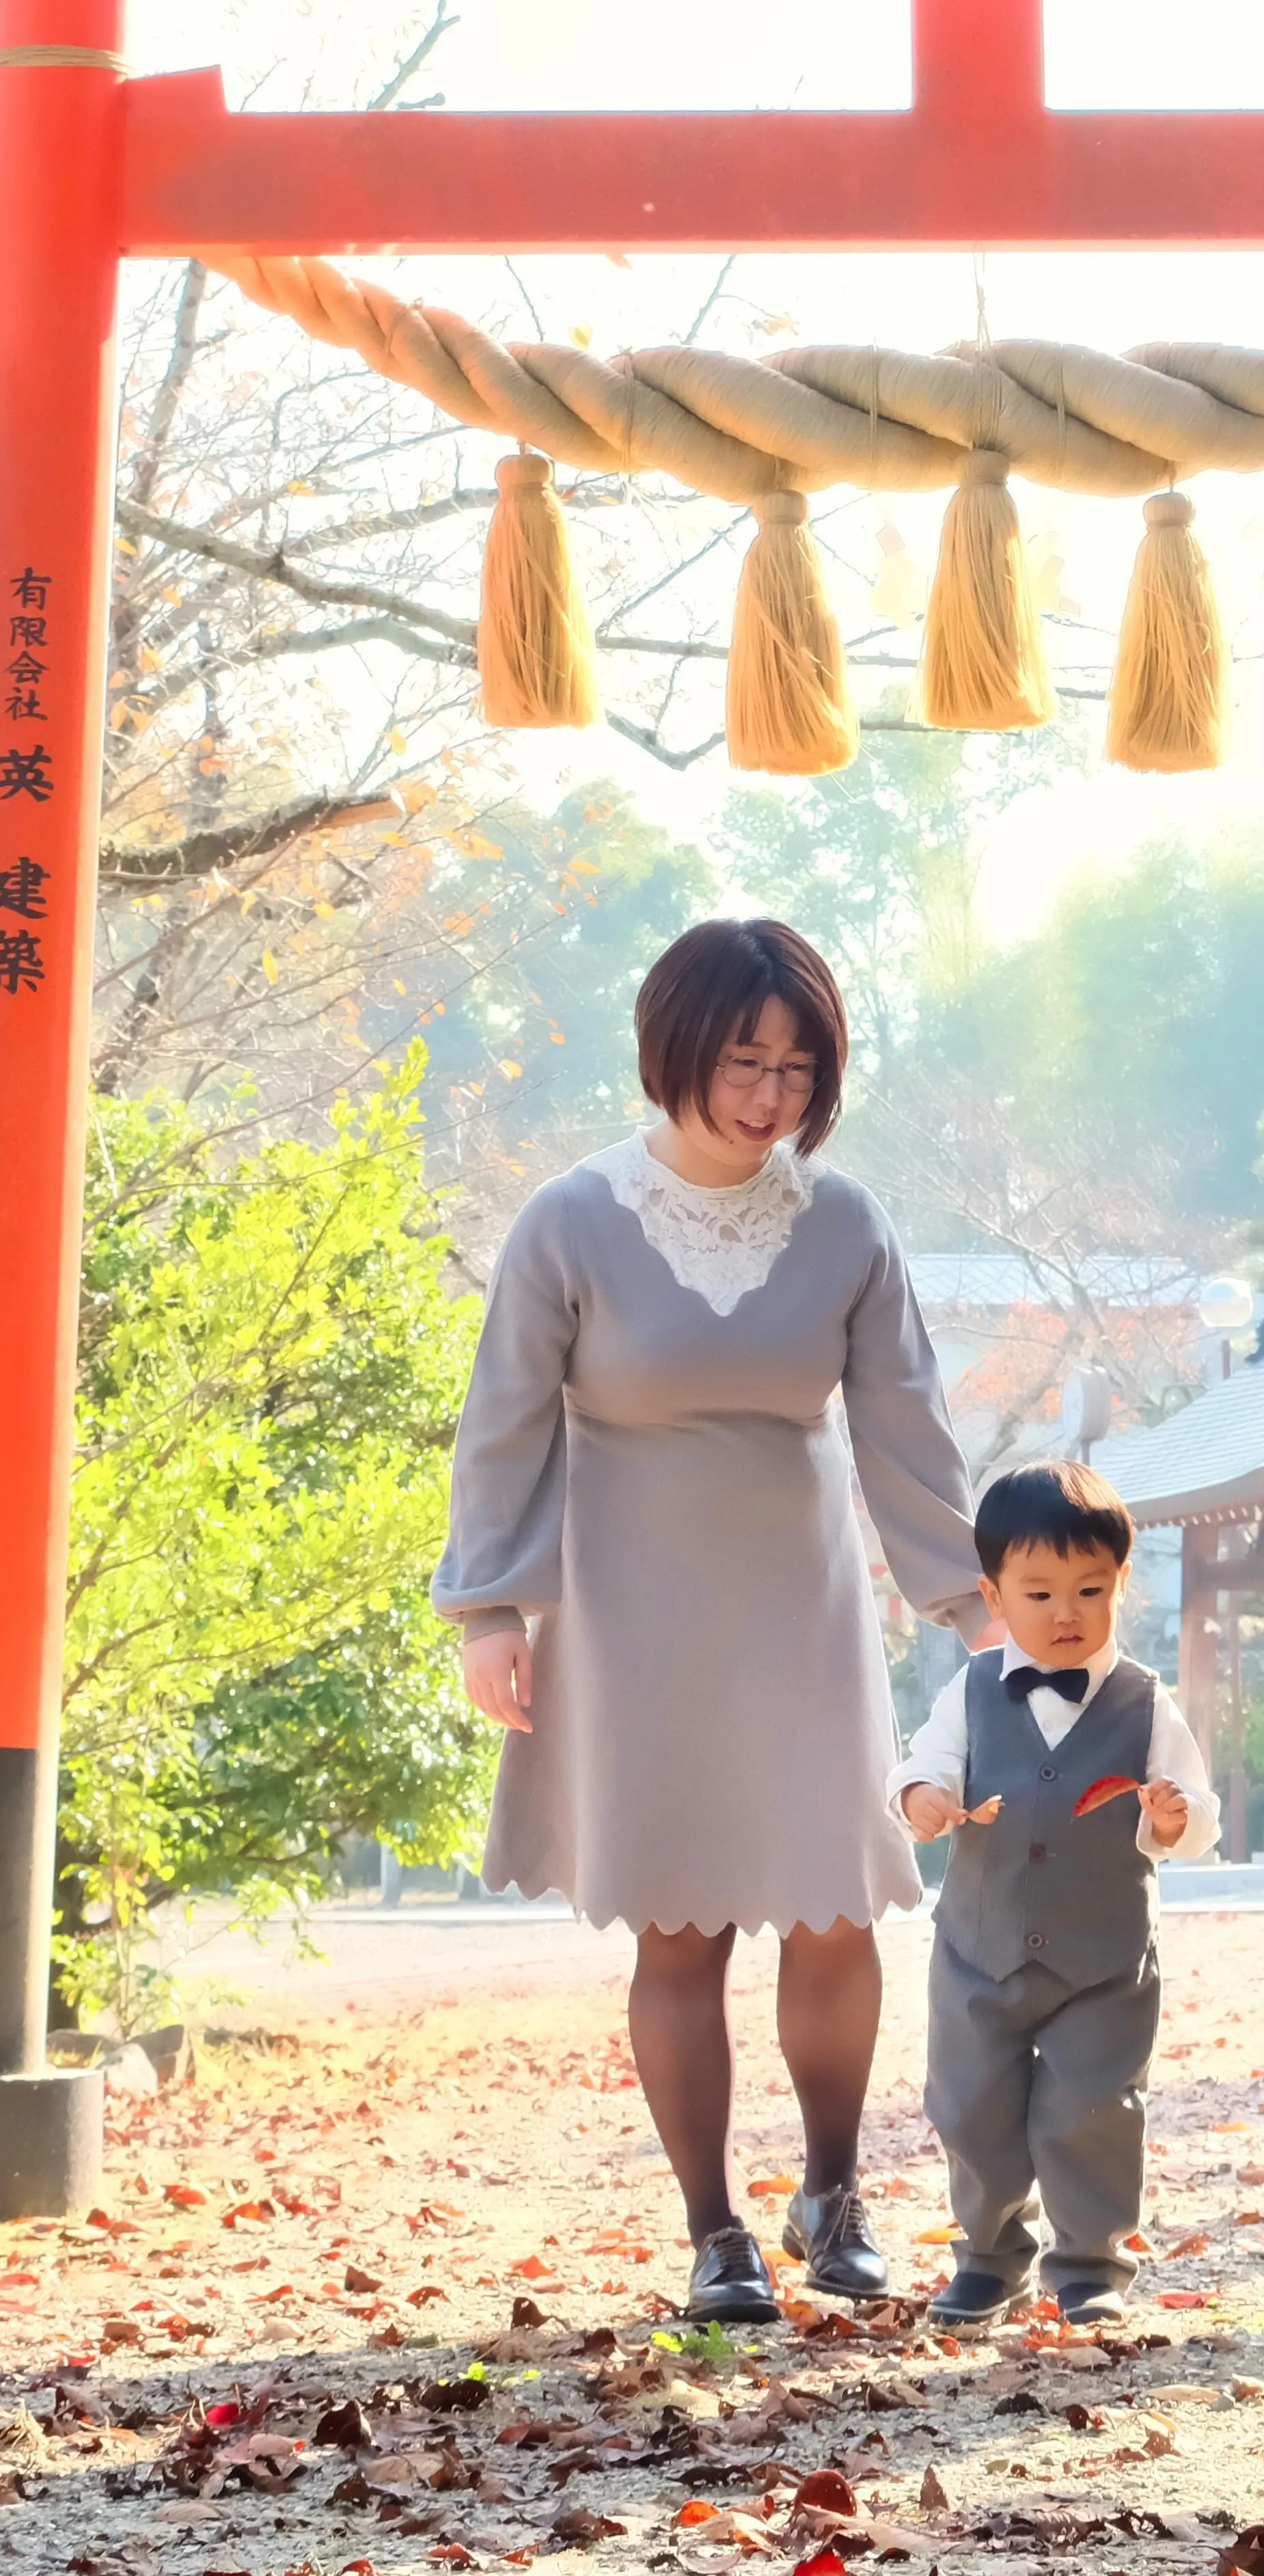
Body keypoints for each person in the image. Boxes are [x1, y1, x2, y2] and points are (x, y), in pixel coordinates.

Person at [434, 916, 985, 2330]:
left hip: (800, 1598)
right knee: (679, 1930)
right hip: (627, 1606)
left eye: (797, 1068)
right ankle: (712, 2229)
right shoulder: (571, 1217)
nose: (769, 1094)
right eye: (744, 1059)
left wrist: (979, 1610)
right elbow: (500, 1426)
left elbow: (906, 1430)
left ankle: (832, 2192)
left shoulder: (845, 1223)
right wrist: (491, 1607)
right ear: (673, 1047)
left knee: (835, 1908)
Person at [894, 1459, 1220, 2329]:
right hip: (978, 1953)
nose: (1065, 1613)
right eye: (1038, 1594)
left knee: (1093, 2110)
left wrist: (1171, 1815)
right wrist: (924, 1799)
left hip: (1102, 1961)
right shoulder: (968, 1690)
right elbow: (924, 1764)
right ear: (993, 1597)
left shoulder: (1147, 1703)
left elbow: (1197, 1821)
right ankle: (991, 2256)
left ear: (1122, 1586)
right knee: (971, 2109)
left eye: (1089, 1588)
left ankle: (1088, 2265)